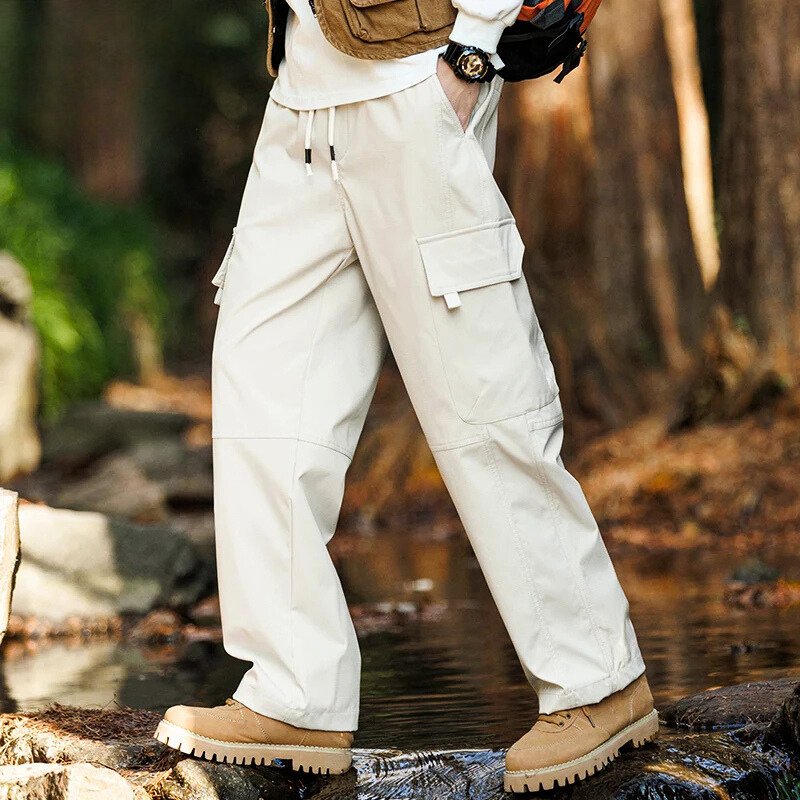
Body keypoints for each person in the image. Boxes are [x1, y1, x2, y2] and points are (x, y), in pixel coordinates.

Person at [154, 0, 658, 791]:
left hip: (417, 81)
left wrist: (474, 51)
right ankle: (297, 691)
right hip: (299, 96)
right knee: (263, 393)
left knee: (483, 397)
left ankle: (599, 679)